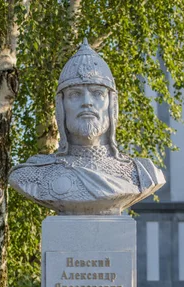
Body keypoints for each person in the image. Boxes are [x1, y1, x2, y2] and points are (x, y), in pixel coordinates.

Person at [9, 39, 165, 215]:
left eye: (97, 93)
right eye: (75, 95)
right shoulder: (33, 174)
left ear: (111, 105)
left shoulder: (142, 174)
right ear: (61, 107)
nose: (87, 102)